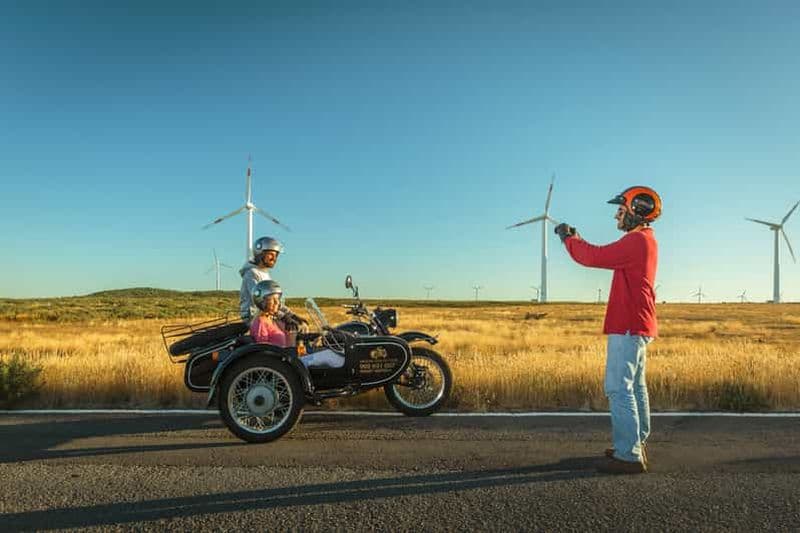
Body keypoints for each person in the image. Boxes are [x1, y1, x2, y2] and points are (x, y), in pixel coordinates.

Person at [555, 186, 661, 475]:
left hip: (627, 323)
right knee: (636, 386)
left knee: (617, 387)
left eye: (621, 209)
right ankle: (635, 442)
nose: (617, 214)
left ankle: (628, 455)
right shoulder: (646, 241)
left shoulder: (636, 241)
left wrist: (569, 238)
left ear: (636, 211)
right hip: (638, 323)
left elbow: (591, 257)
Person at [250, 280, 344, 369]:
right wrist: (292, 341)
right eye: (273, 299)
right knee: (331, 357)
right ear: (262, 302)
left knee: (328, 351)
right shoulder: (260, 323)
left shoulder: (274, 320)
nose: (277, 303)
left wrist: (309, 341)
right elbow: (263, 354)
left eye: (278, 299)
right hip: (285, 365)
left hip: (292, 358)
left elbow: (292, 344)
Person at [239, 236, 307, 330]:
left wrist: (292, 315)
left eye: (276, 255)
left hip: (266, 314)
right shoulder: (252, 273)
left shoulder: (264, 273)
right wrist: (283, 317)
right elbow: (261, 302)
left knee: (299, 328)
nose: (274, 258)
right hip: (254, 317)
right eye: (271, 254)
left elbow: (274, 301)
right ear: (260, 254)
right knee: (291, 331)